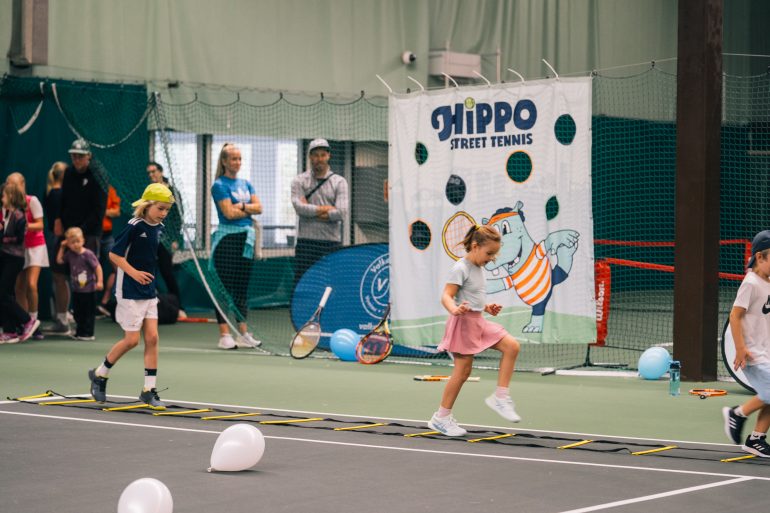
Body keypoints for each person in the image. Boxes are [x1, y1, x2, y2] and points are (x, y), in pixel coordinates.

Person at [427, 224, 522, 437]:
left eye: (494, 254)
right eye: (489, 253)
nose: (492, 258)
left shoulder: (478, 268)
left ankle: (500, 397)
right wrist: (454, 309)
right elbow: (446, 296)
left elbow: (472, 296)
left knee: (512, 346)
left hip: (478, 320)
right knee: (462, 372)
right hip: (463, 324)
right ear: (475, 246)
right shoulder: (460, 268)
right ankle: (441, 418)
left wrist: (487, 307)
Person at [87, 183, 174, 409]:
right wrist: (134, 273)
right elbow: (114, 255)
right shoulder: (134, 226)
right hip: (128, 290)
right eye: (160, 208)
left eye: (167, 209)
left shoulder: (159, 227)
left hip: (149, 290)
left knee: (152, 338)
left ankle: (148, 390)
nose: (164, 213)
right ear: (147, 205)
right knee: (132, 340)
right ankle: (100, 374)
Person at [49, 140, 107, 335]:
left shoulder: (98, 176)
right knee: (58, 272)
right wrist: (59, 219)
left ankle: (85, 327)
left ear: (89, 156)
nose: (76, 160)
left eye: (80, 156)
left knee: (85, 279)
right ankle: (62, 320)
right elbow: (63, 200)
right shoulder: (69, 173)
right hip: (67, 232)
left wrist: (79, 233)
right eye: (73, 156)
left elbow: (99, 211)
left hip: (88, 235)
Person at [722, 230, 770, 457]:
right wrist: (741, 349)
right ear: (760, 257)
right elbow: (735, 315)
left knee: (769, 396)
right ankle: (737, 414)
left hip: (766, 351)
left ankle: (756, 440)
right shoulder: (750, 283)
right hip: (753, 354)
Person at [210, 143, 262, 350]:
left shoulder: (246, 183)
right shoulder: (219, 185)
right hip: (227, 242)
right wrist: (248, 210)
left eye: (239, 159)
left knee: (241, 288)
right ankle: (224, 335)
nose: (237, 162)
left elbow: (259, 207)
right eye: (233, 159)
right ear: (224, 161)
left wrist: (241, 206)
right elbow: (228, 214)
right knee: (224, 289)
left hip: (246, 242)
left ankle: (243, 334)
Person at [290, 138, 349, 285]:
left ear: (328, 156)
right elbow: (299, 208)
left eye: (323, 155)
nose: (319, 159)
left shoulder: (340, 182)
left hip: (331, 243)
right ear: (310, 157)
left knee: (329, 284)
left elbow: (341, 213)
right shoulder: (299, 181)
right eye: (315, 155)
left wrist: (310, 212)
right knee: (303, 283)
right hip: (306, 243)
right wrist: (327, 209)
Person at [4, 173, 48, 340]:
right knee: (18, 288)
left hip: (35, 247)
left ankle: (34, 323)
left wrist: (21, 225)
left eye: (14, 184)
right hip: (18, 250)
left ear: (22, 184)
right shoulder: (8, 204)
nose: (11, 187)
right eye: (9, 183)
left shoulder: (32, 201)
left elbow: (40, 225)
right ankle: (24, 323)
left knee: (31, 284)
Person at [0, 181, 40, 343]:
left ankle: (28, 320)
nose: (1, 199)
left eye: (3, 196)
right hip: (5, 257)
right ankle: (9, 331)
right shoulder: (7, 214)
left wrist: (2, 235)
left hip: (14, 259)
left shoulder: (19, 215)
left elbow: (17, 238)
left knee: (3, 294)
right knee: (6, 294)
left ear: (11, 197)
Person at [146, 161, 186, 318]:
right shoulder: (149, 193)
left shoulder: (173, 192)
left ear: (160, 172)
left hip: (166, 241)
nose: (151, 175)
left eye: (153, 171)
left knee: (167, 272)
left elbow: (178, 217)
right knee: (147, 272)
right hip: (151, 239)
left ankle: (179, 307)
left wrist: (174, 239)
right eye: (149, 173)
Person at [57, 227, 103, 340]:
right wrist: (62, 247)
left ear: (83, 240)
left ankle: (88, 333)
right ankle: (80, 332)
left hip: (89, 290)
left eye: (78, 241)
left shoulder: (88, 254)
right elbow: (59, 260)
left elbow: (97, 267)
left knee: (88, 312)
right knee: (78, 313)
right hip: (77, 290)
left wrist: (100, 281)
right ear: (68, 244)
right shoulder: (70, 254)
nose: (76, 244)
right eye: (72, 243)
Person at [43, 162, 67, 332]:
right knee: (59, 278)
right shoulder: (57, 194)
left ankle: (63, 317)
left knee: (60, 279)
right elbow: (58, 223)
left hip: (58, 238)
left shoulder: (52, 192)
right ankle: (62, 319)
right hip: (57, 238)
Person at [97, 185, 121, 317]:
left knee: (118, 268)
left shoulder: (110, 190)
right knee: (89, 268)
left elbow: (116, 212)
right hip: (92, 235)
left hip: (107, 235)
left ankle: (106, 303)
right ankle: (87, 306)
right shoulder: (87, 187)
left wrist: (102, 211)